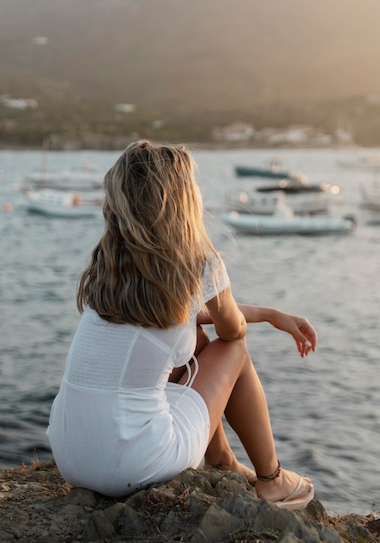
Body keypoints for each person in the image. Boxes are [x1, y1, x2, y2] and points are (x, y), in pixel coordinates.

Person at [47, 140, 318, 510]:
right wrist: (262, 318)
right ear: (182, 200)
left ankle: (222, 460)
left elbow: (183, 318)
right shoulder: (198, 262)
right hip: (136, 461)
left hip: (71, 456)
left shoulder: (106, 267)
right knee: (231, 349)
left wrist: (271, 314)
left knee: (195, 340)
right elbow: (232, 331)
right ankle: (272, 480)